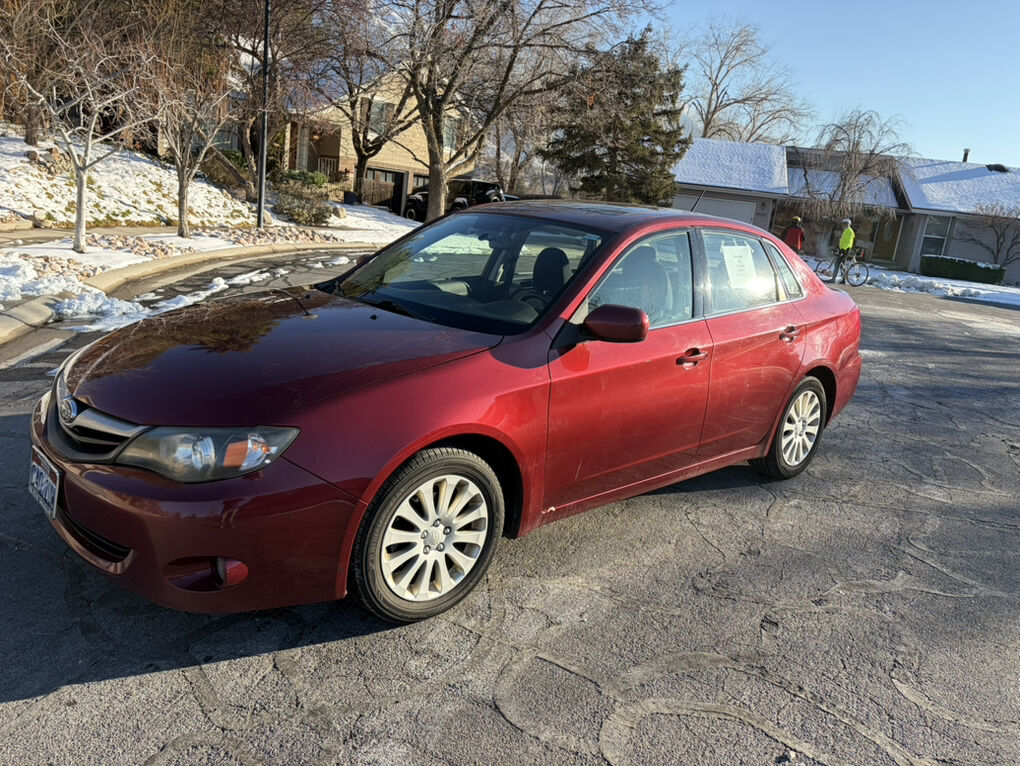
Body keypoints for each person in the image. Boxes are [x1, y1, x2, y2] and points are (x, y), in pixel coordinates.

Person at [834, 218, 855, 283]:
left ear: (847, 224)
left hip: (846, 250)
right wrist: (838, 247)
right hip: (843, 249)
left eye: (843, 224)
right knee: (841, 264)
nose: (842, 226)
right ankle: (843, 280)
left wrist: (843, 249)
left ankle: (833, 279)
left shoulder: (849, 231)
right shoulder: (846, 231)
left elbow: (848, 242)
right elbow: (843, 241)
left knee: (837, 263)